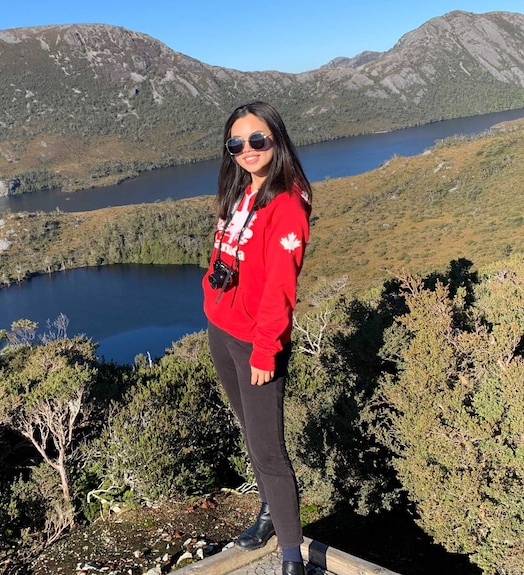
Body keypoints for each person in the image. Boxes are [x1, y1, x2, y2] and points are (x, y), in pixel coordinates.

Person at [202, 101, 312, 575]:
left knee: (269, 450)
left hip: (255, 344)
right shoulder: (240, 192)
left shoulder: (287, 204)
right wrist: (212, 290)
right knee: (251, 433)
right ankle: (267, 514)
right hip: (222, 331)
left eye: (257, 140)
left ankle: (291, 558)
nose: (247, 150)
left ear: (277, 140)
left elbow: (280, 290)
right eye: (236, 143)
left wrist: (267, 350)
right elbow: (224, 255)